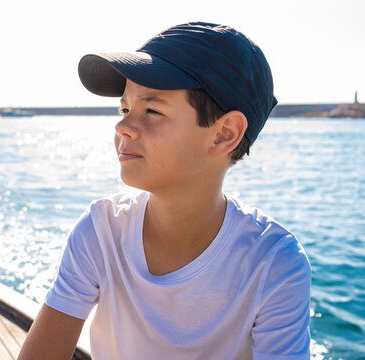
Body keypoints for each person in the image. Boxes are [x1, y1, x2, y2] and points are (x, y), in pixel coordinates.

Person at [18, 22, 311, 360]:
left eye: (152, 110)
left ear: (224, 134)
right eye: (125, 108)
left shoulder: (273, 263)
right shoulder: (101, 230)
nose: (122, 126)